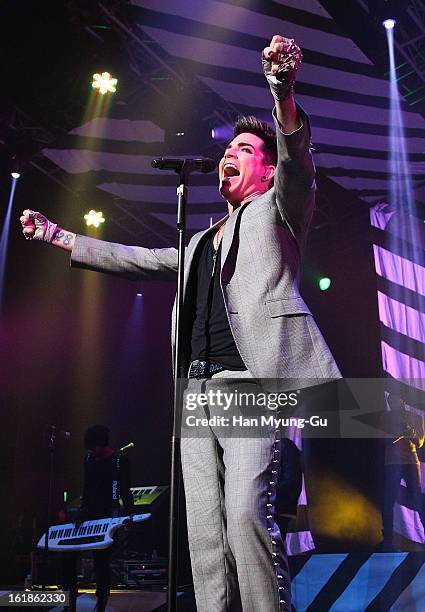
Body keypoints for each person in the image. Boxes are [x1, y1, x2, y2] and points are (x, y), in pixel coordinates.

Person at [21, 35, 340, 611]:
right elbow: (141, 259)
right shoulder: (197, 242)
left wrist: (282, 90)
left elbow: (298, 161)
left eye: (246, 149)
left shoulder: (280, 211)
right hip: (195, 391)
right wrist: (60, 237)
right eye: (230, 147)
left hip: (250, 385)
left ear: (265, 172)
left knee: (247, 516)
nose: (231, 154)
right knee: (203, 533)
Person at [62, 425, 134, 611]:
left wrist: (129, 514)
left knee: (101, 560)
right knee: (68, 553)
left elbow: (125, 490)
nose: (91, 452)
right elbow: (87, 487)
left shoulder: (119, 461)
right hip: (88, 515)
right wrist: (81, 511)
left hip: (108, 516)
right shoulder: (89, 459)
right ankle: (69, 595)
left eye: (93, 448)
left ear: (102, 445)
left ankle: (102, 598)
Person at [382, 396, 425, 550]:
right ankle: (387, 540)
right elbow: (381, 441)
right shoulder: (385, 418)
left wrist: (409, 431)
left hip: (410, 462)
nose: (392, 404)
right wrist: (395, 432)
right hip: (391, 462)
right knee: (388, 501)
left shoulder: (415, 417)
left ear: (403, 402)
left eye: (395, 401)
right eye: (390, 401)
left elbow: (419, 442)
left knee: (417, 499)